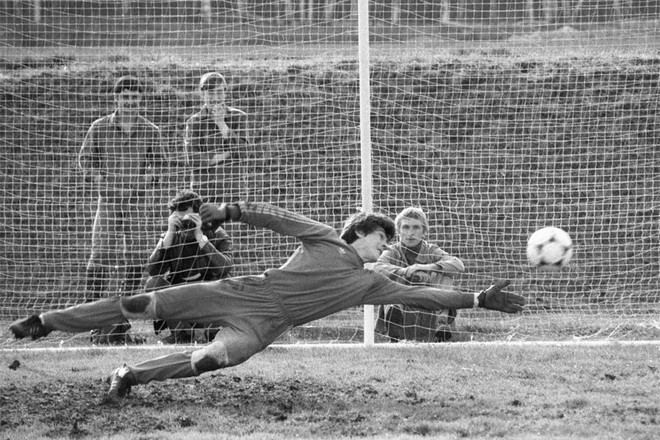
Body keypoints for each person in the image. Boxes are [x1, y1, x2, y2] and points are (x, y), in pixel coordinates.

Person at [8, 201, 525, 403]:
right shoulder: (325, 238)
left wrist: (477, 298)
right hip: (245, 291)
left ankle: (129, 375)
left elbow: (423, 294)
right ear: (361, 232)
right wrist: (228, 211)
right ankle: (47, 321)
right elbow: (275, 217)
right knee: (143, 305)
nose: (384, 246)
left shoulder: (369, 283)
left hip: (266, 326)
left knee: (209, 359)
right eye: (380, 237)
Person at [78, 75, 166, 344]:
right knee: (101, 254)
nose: (130, 102)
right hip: (108, 200)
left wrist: (144, 181)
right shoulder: (99, 127)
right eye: (125, 97)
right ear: (116, 98)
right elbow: (85, 160)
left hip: (137, 202)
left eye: (135, 97)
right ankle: (93, 318)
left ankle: (122, 318)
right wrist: (100, 180)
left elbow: (160, 165)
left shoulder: (151, 130)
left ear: (141, 99)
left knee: (138, 256)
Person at [146, 189, 233, 344]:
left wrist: (201, 239)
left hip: (209, 301)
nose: (186, 226)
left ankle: (213, 331)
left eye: (190, 220)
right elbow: (153, 271)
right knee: (153, 283)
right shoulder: (171, 236)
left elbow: (225, 268)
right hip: (180, 304)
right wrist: (169, 235)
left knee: (225, 283)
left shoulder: (217, 234)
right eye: (181, 221)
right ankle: (182, 333)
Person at [373, 207, 465, 343]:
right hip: (400, 296)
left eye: (416, 227)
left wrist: (426, 268)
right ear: (398, 231)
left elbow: (458, 265)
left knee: (445, 274)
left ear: (424, 231)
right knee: (391, 275)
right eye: (406, 227)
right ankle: (394, 318)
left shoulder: (431, 250)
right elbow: (377, 267)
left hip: (429, 295)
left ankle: (442, 323)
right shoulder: (392, 251)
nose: (410, 233)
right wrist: (405, 272)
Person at [184, 72, 250, 203]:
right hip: (203, 192)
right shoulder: (194, 122)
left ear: (225, 92)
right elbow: (192, 159)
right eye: (210, 93)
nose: (215, 97)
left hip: (233, 191)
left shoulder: (239, 117)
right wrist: (226, 155)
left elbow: (244, 152)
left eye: (219, 92)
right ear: (202, 94)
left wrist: (221, 124)